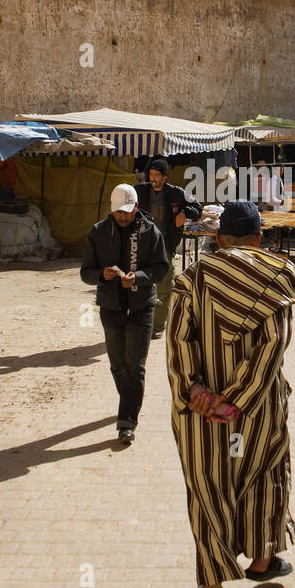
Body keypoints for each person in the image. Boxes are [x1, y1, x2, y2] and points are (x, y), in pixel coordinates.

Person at [166, 200, 295, 588]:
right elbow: (272, 350)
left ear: (220, 239)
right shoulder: (278, 278)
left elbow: (177, 347)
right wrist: (238, 404)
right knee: (265, 477)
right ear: (259, 238)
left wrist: (207, 401)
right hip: (258, 412)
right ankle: (261, 561)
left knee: (208, 492)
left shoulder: (191, 280)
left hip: (200, 418)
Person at [80, 183, 168, 443]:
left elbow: (161, 269)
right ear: (112, 210)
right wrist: (102, 276)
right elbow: (85, 273)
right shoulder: (98, 232)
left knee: (135, 366)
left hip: (142, 308)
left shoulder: (150, 231)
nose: (123, 216)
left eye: (128, 212)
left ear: (136, 208)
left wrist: (138, 278)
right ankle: (129, 400)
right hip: (110, 308)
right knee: (117, 365)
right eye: (119, 212)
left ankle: (126, 422)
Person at [135, 158, 202, 337]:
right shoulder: (140, 190)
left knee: (165, 285)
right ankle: (142, 322)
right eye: (151, 175)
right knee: (141, 284)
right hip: (142, 245)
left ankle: (157, 326)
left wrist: (184, 212)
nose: (153, 178)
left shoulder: (176, 193)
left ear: (165, 177)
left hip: (164, 244)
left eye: (157, 175)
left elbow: (197, 208)